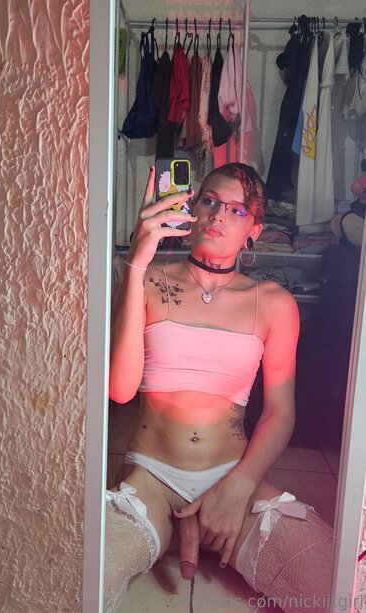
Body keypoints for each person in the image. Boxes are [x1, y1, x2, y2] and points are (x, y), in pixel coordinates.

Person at [105, 162, 333, 613]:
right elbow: (120, 390)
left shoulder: (274, 304)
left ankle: (195, 529)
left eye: (236, 209)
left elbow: (280, 412)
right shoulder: (147, 281)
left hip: (232, 477)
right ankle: (173, 530)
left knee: (335, 585)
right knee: (73, 582)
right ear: (191, 210)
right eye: (208, 200)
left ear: (254, 231)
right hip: (150, 480)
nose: (218, 214)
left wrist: (238, 487)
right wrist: (136, 263)